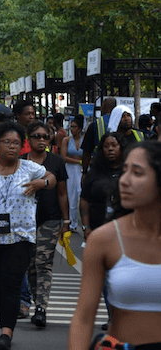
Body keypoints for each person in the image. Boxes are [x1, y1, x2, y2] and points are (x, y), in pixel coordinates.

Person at [0, 121, 55, 350]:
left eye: (17, 143)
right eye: (7, 142)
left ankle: (6, 333)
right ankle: (4, 320)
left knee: (11, 282)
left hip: (21, 236)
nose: (12, 147)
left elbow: (52, 179)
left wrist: (42, 183)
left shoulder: (29, 168)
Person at [68, 141, 161, 349]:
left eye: (137, 173)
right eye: (124, 171)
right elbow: (83, 318)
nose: (125, 181)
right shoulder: (104, 239)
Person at [24, 121, 69, 329]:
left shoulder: (57, 162)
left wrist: (66, 221)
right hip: (24, 220)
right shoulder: (21, 161)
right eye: (37, 136)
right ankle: (36, 302)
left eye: (45, 136)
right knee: (30, 266)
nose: (42, 140)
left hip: (50, 219)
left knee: (43, 263)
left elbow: (62, 192)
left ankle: (41, 308)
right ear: (29, 139)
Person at [80, 132, 126, 240]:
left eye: (114, 145)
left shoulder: (128, 171)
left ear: (121, 147)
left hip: (124, 233)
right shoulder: (94, 172)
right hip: (97, 230)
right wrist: (86, 227)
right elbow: (84, 199)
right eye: (106, 146)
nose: (110, 149)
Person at [81, 97, 117, 175]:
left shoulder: (95, 124)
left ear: (103, 107)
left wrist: (84, 172)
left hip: (99, 167)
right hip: (118, 167)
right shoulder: (121, 122)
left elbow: (86, 152)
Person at [60, 116, 84, 232]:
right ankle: (72, 223)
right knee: (71, 197)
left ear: (79, 128)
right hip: (70, 169)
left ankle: (85, 224)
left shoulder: (85, 139)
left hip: (83, 169)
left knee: (83, 196)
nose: (72, 129)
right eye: (71, 127)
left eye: (74, 127)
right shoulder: (67, 140)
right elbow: (64, 157)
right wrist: (79, 161)